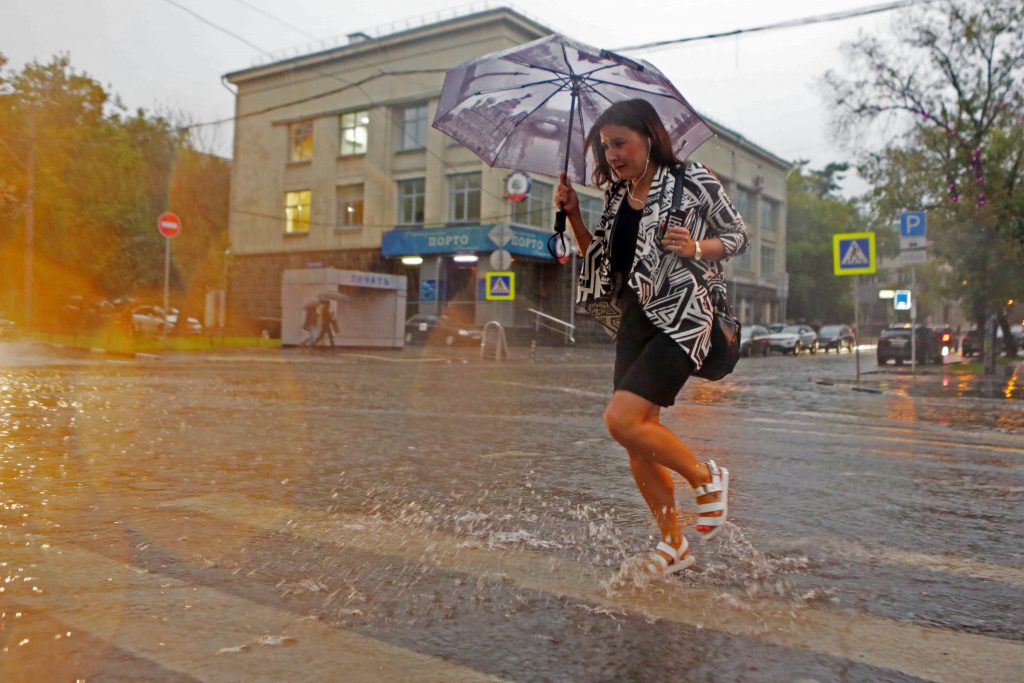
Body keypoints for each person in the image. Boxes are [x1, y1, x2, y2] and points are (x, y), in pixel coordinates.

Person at [554, 99, 749, 576]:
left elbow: (737, 234)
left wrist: (698, 246)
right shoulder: (618, 197)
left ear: (649, 136)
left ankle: (705, 477)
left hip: (684, 315)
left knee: (620, 420)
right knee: (638, 441)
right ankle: (673, 544)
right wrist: (575, 214)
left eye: (619, 143)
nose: (612, 155)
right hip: (635, 320)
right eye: (605, 147)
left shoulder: (693, 179)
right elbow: (601, 260)